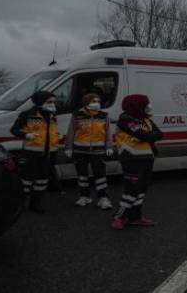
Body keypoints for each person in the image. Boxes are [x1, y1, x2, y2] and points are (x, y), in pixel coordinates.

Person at [111, 94, 163, 229]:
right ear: (137, 105)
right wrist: (146, 136)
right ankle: (119, 218)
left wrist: (146, 137)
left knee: (141, 190)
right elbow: (143, 135)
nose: (149, 106)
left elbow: (160, 134)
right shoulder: (125, 119)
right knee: (131, 190)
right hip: (132, 159)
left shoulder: (145, 120)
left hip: (147, 158)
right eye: (146, 104)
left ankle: (135, 217)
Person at [10, 91, 60, 214]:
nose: (53, 104)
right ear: (40, 102)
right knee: (26, 180)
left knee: (42, 180)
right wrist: (26, 135)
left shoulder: (52, 115)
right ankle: (19, 204)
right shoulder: (27, 115)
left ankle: (35, 204)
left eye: (54, 102)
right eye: (49, 102)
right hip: (31, 154)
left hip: (49, 154)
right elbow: (14, 130)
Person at [64, 93, 114, 210]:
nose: (97, 103)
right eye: (94, 101)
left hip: (98, 150)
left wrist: (109, 146)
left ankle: (103, 198)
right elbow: (71, 132)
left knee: (100, 175)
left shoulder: (103, 115)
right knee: (82, 175)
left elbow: (108, 132)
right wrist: (68, 147)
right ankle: (84, 196)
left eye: (98, 101)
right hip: (80, 150)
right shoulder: (77, 115)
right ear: (86, 103)